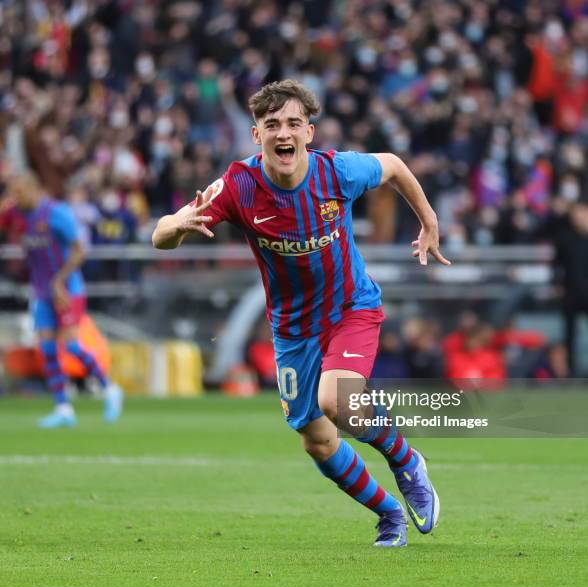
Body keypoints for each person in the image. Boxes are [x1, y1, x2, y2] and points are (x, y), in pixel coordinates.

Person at [152, 80, 450, 547]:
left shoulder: (338, 173)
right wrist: (177, 226)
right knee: (317, 440)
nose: (282, 133)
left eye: (293, 123)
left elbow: (392, 166)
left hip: (351, 308)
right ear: (257, 135)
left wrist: (429, 220)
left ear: (309, 132)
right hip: (293, 329)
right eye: (272, 125)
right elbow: (159, 236)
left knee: (338, 402)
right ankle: (390, 514)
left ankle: (406, 460)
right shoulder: (238, 186)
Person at [1, 173, 123, 428]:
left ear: (35, 189)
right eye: (12, 193)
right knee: (46, 349)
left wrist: (59, 281)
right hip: (42, 291)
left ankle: (110, 388)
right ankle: (63, 408)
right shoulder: (18, 213)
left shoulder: (57, 213)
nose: (15, 198)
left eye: (19, 192)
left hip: (68, 289)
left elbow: (80, 250)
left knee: (70, 345)